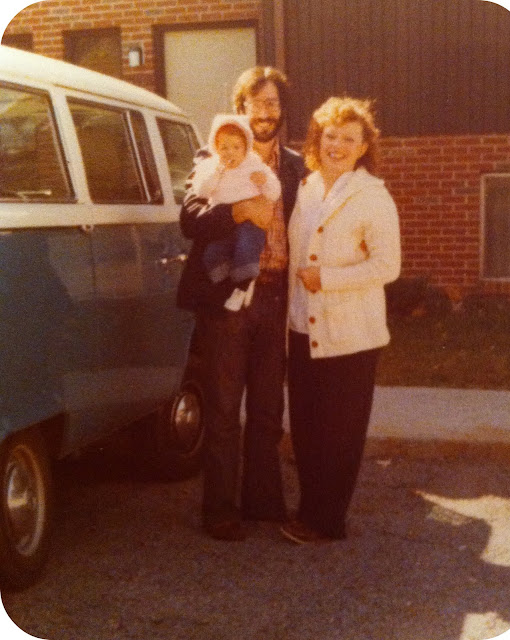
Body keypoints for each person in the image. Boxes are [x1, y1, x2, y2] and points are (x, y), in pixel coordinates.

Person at [177, 67, 306, 540]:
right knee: (225, 407)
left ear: (282, 110)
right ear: (241, 109)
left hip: (275, 296)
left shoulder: (296, 167)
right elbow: (190, 219)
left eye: (273, 104)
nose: (265, 113)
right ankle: (221, 510)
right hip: (228, 300)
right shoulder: (216, 154)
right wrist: (237, 212)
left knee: (269, 409)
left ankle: (263, 502)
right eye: (257, 104)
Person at [280, 97, 401, 544]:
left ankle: (327, 521)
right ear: (318, 139)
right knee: (307, 431)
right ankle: (310, 511)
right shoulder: (308, 188)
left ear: (364, 146)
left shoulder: (372, 195)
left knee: (339, 436)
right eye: (330, 136)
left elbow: (387, 266)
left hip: (351, 336)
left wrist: (326, 279)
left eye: (349, 139)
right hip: (302, 329)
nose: (337, 145)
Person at [191, 114, 281, 311]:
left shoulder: (254, 165)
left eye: (236, 147)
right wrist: (217, 173)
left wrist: (265, 181)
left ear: (246, 147)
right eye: (224, 147)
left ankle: (243, 286)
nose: (230, 152)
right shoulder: (210, 166)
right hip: (224, 223)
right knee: (213, 254)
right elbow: (201, 191)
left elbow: (274, 193)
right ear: (215, 147)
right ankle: (231, 286)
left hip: (250, 222)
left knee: (246, 250)